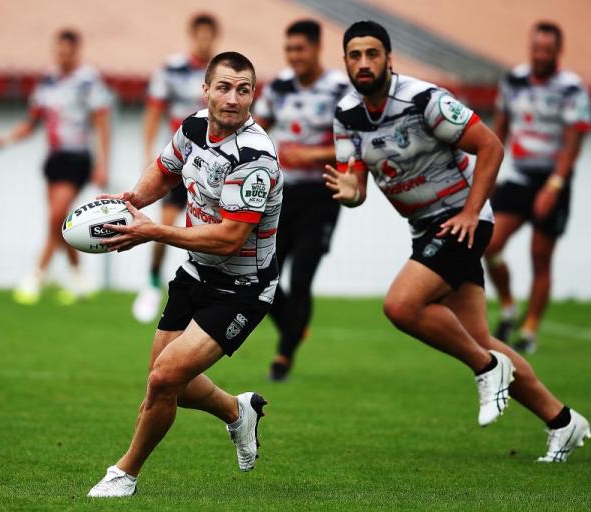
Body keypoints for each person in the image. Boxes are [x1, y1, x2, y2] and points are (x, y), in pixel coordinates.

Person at [324, 20, 589, 462]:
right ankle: (562, 421)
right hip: (427, 228)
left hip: (462, 221)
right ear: (347, 62)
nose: (364, 63)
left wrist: (470, 212)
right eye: (355, 55)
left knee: (401, 306)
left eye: (372, 54)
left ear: (389, 59)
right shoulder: (346, 116)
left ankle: (487, 369)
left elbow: (491, 146)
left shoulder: (424, 100)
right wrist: (351, 195)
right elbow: (355, 187)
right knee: (480, 336)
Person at [87, 52, 283, 497]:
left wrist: (152, 231)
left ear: (254, 95)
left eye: (244, 89)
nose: (233, 99)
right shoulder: (194, 126)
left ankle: (125, 473)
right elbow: (164, 171)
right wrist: (131, 200)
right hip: (196, 273)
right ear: (206, 90)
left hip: (243, 288)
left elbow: (230, 238)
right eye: (224, 87)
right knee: (169, 378)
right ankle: (238, 411)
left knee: (162, 380)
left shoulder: (254, 157)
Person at [484, 22, 591, 353]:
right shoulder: (514, 80)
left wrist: (554, 185)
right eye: (537, 49)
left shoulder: (570, 87)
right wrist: (489, 173)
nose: (541, 55)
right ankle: (508, 307)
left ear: (558, 52)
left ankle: (529, 331)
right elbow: (499, 126)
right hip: (519, 176)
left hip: (552, 180)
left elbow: (574, 139)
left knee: (539, 256)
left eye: (548, 50)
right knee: (489, 243)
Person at [253, 19, 349, 380]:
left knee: (303, 275)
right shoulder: (278, 87)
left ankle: (283, 356)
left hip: (322, 194)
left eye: (300, 49)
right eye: (289, 49)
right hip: (283, 195)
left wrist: (311, 155)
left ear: (316, 48)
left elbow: (354, 140)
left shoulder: (339, 88)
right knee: (263, 274)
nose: (294, 56)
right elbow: (255, 129)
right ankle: (295, 325)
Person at [0, 28, 111, 305]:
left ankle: (36, 275)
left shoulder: (88, 81)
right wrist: (7, 139)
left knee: (56, 215)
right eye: (59, 50)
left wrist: (103, 163)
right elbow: (32, 121)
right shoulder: (47, 81)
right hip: (54, 158)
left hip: (78, 157)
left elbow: (102, 123)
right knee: (59, 222)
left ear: (76, 51)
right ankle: (80, 278)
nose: (62, 55)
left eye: (67, 50)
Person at [132, 13, 220, 323]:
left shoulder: (222, 74)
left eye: (210, 35)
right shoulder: (173, 69)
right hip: (181, 163)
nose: (204, 40)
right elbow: (154, 110)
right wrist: (147, 151)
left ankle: (211, 288)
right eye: (200, 34)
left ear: (215, 37)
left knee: (211, 229)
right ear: (193, 35)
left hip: (216, 167)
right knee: (165, 224)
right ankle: (152, 281)